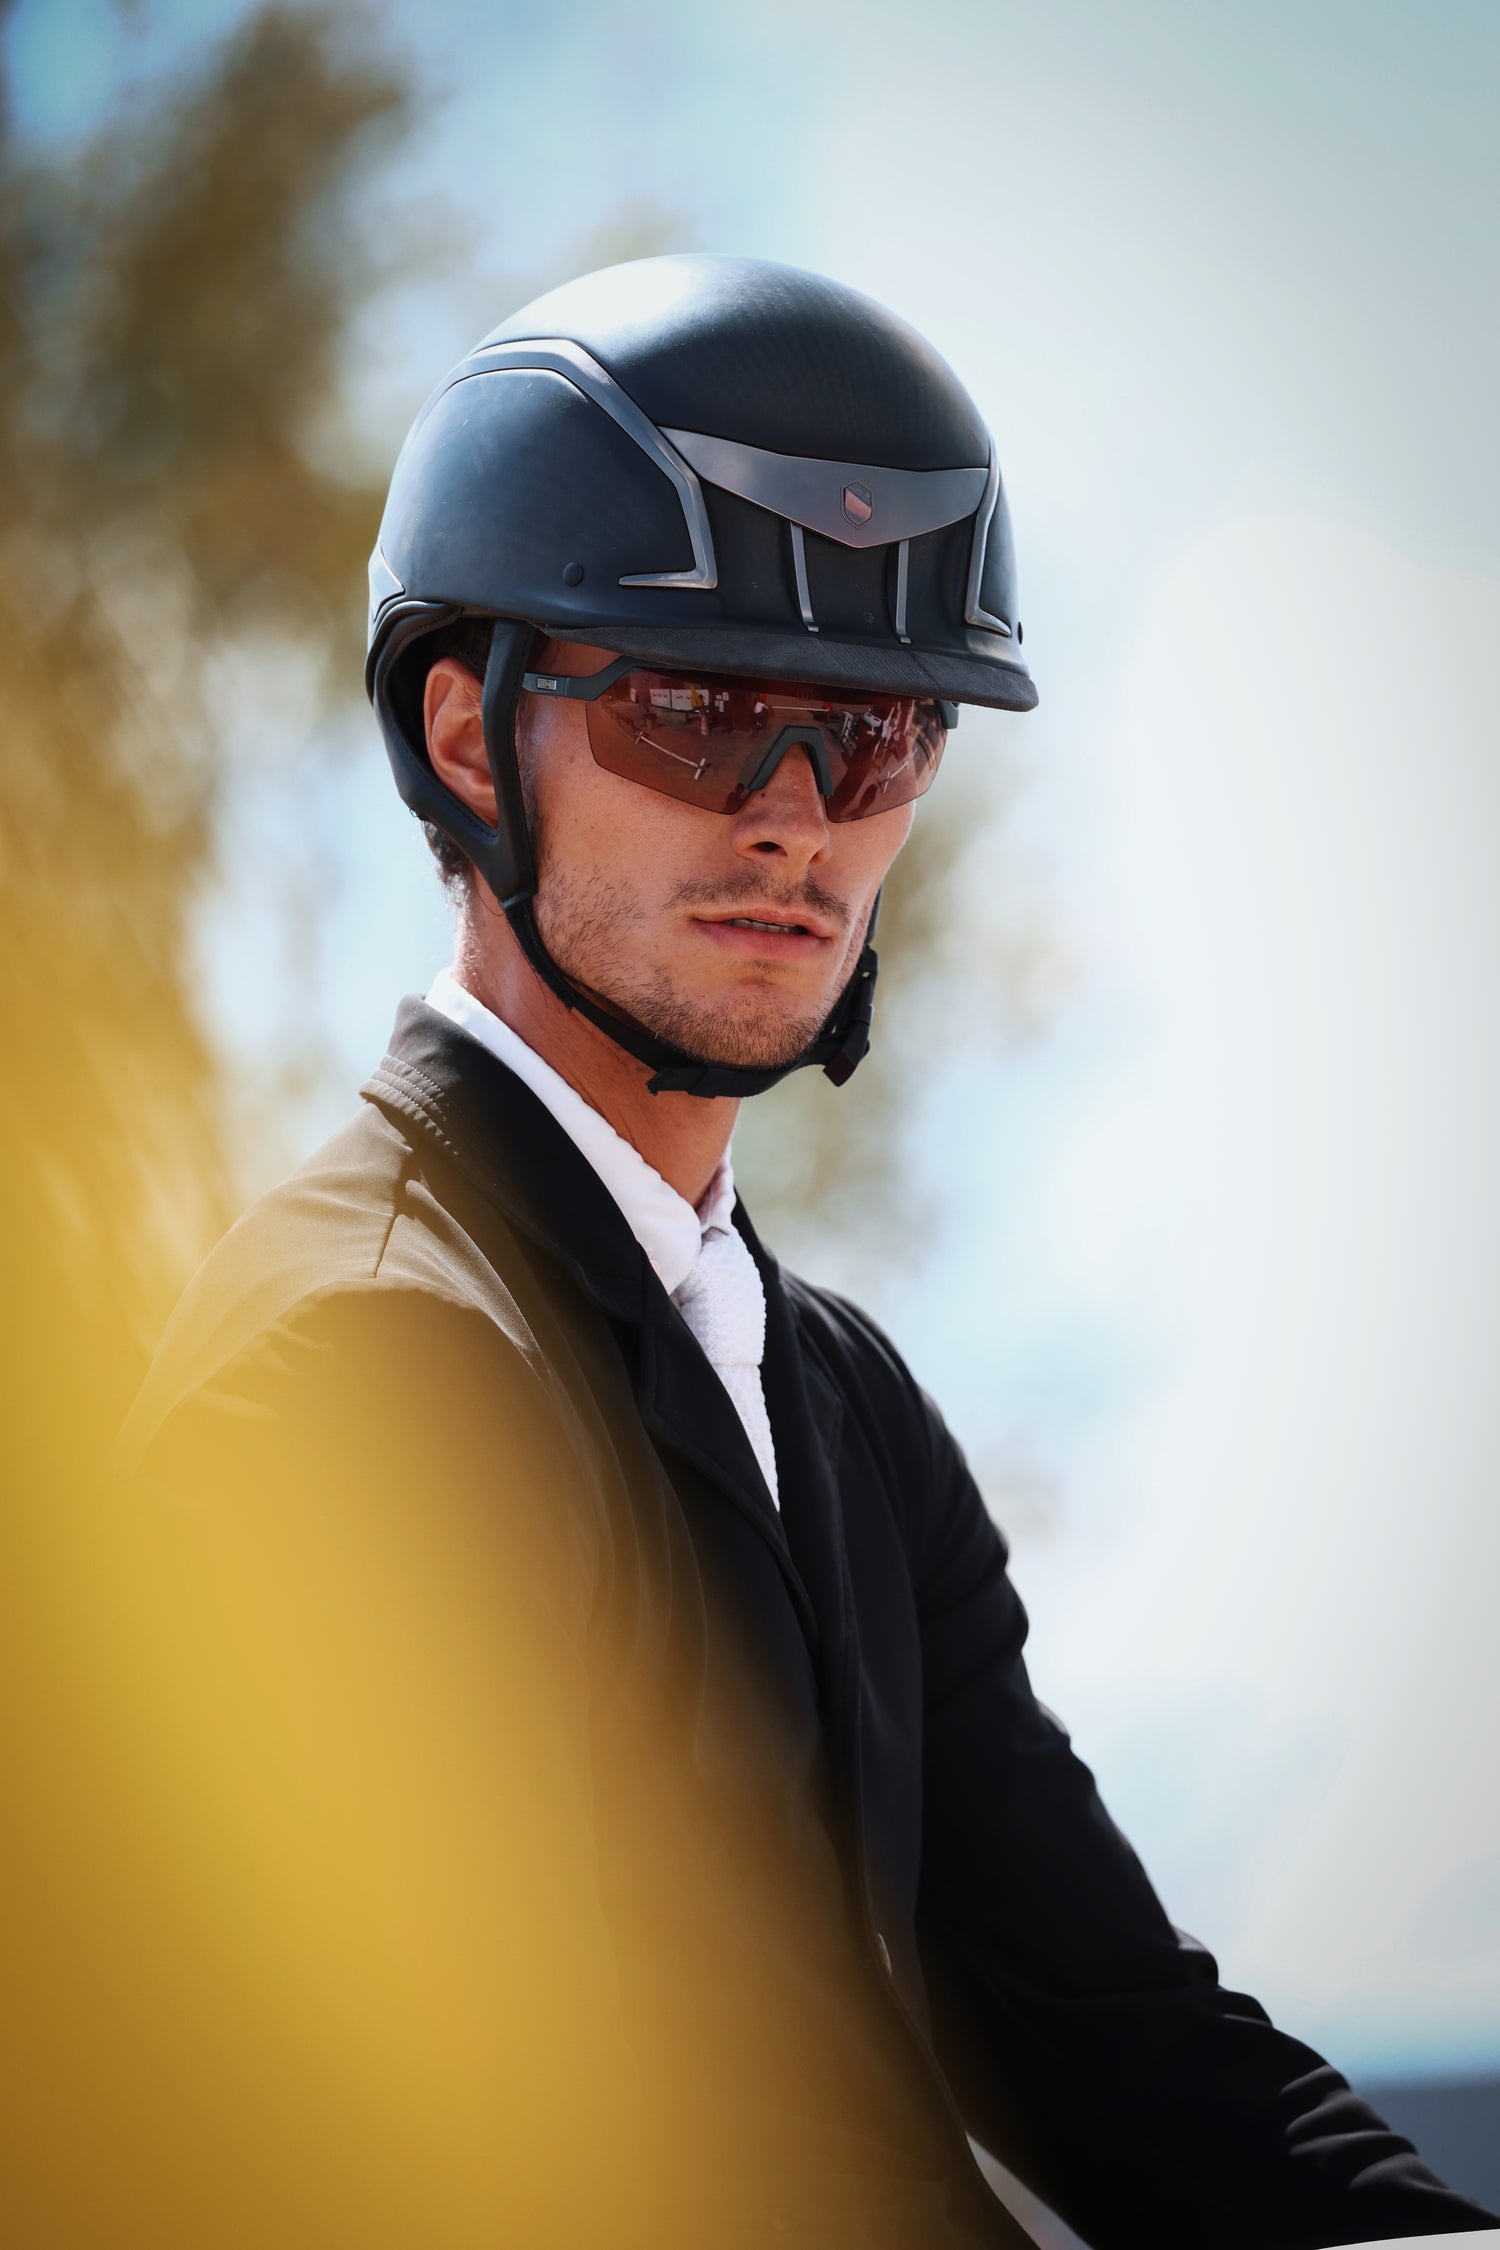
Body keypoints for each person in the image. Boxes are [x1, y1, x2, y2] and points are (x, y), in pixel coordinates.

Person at [124, 255, 1498, 2249]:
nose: (796, 823)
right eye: (695, 716)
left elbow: (1120, 2048)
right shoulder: (364, 1364)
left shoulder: (828, 1389)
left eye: (870, 738)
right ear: (469, 737)